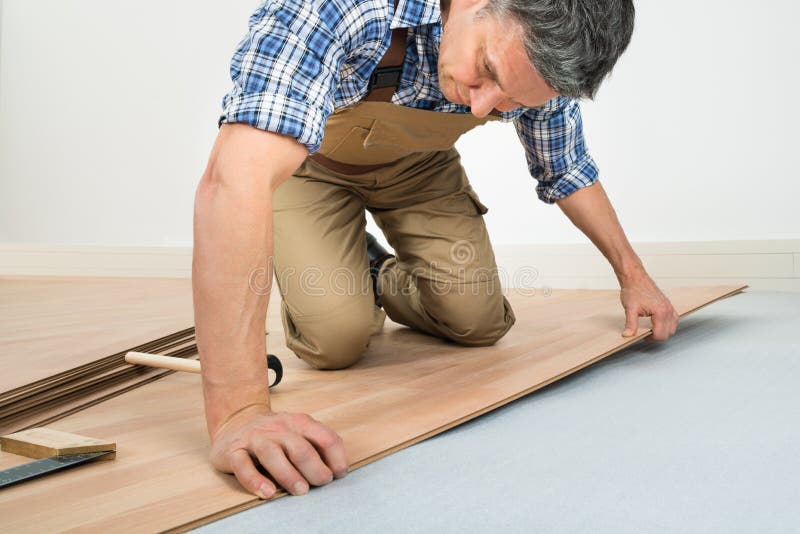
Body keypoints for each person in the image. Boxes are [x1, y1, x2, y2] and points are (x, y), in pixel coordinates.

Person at [192, 0, 679, 500]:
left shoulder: (539, 56)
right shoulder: (344, 7)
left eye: (512, 101)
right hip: (306, 167)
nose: (482, 108)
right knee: (335, 338)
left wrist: (632, 274)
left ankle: (371, 268)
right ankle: (336, 270)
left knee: (478, 321)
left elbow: (567, 169)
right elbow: (234, 180)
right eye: (486, 71)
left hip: (419, 170)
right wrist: (239, 411)